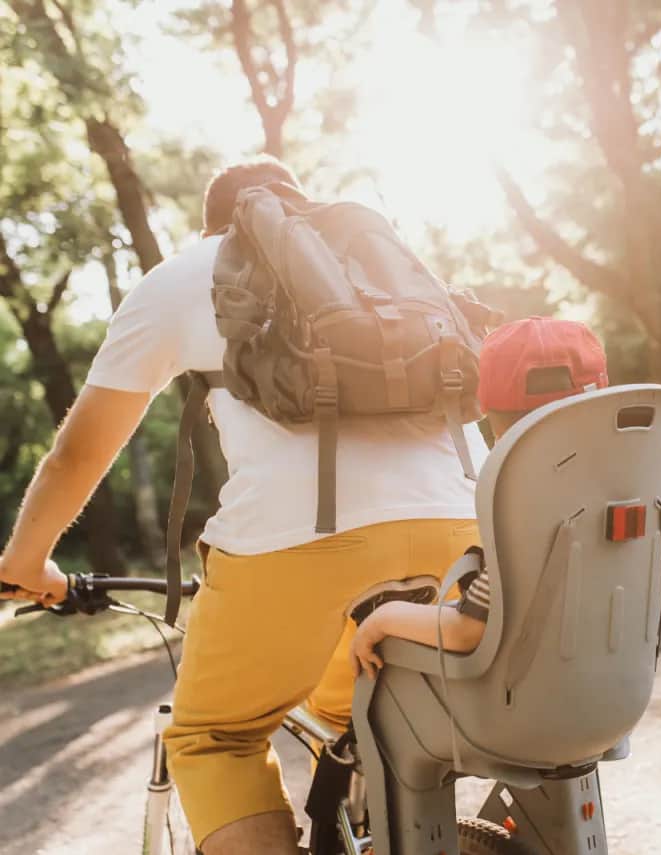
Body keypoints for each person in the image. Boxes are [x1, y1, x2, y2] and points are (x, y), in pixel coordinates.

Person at [0, 157, 490, 855]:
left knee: (213, 736)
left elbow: (76, 455)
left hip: (296, 546)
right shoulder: (377, 267)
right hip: (463, 528)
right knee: (351, 707)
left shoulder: (185, 274)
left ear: (214, 227)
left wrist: (27, 562)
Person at [350, 316, 609, 677]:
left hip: (527, 699)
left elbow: (468, 631)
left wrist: (382, 618)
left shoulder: (526, 503)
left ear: (495, 423)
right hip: (614, 687)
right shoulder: (633, 478)